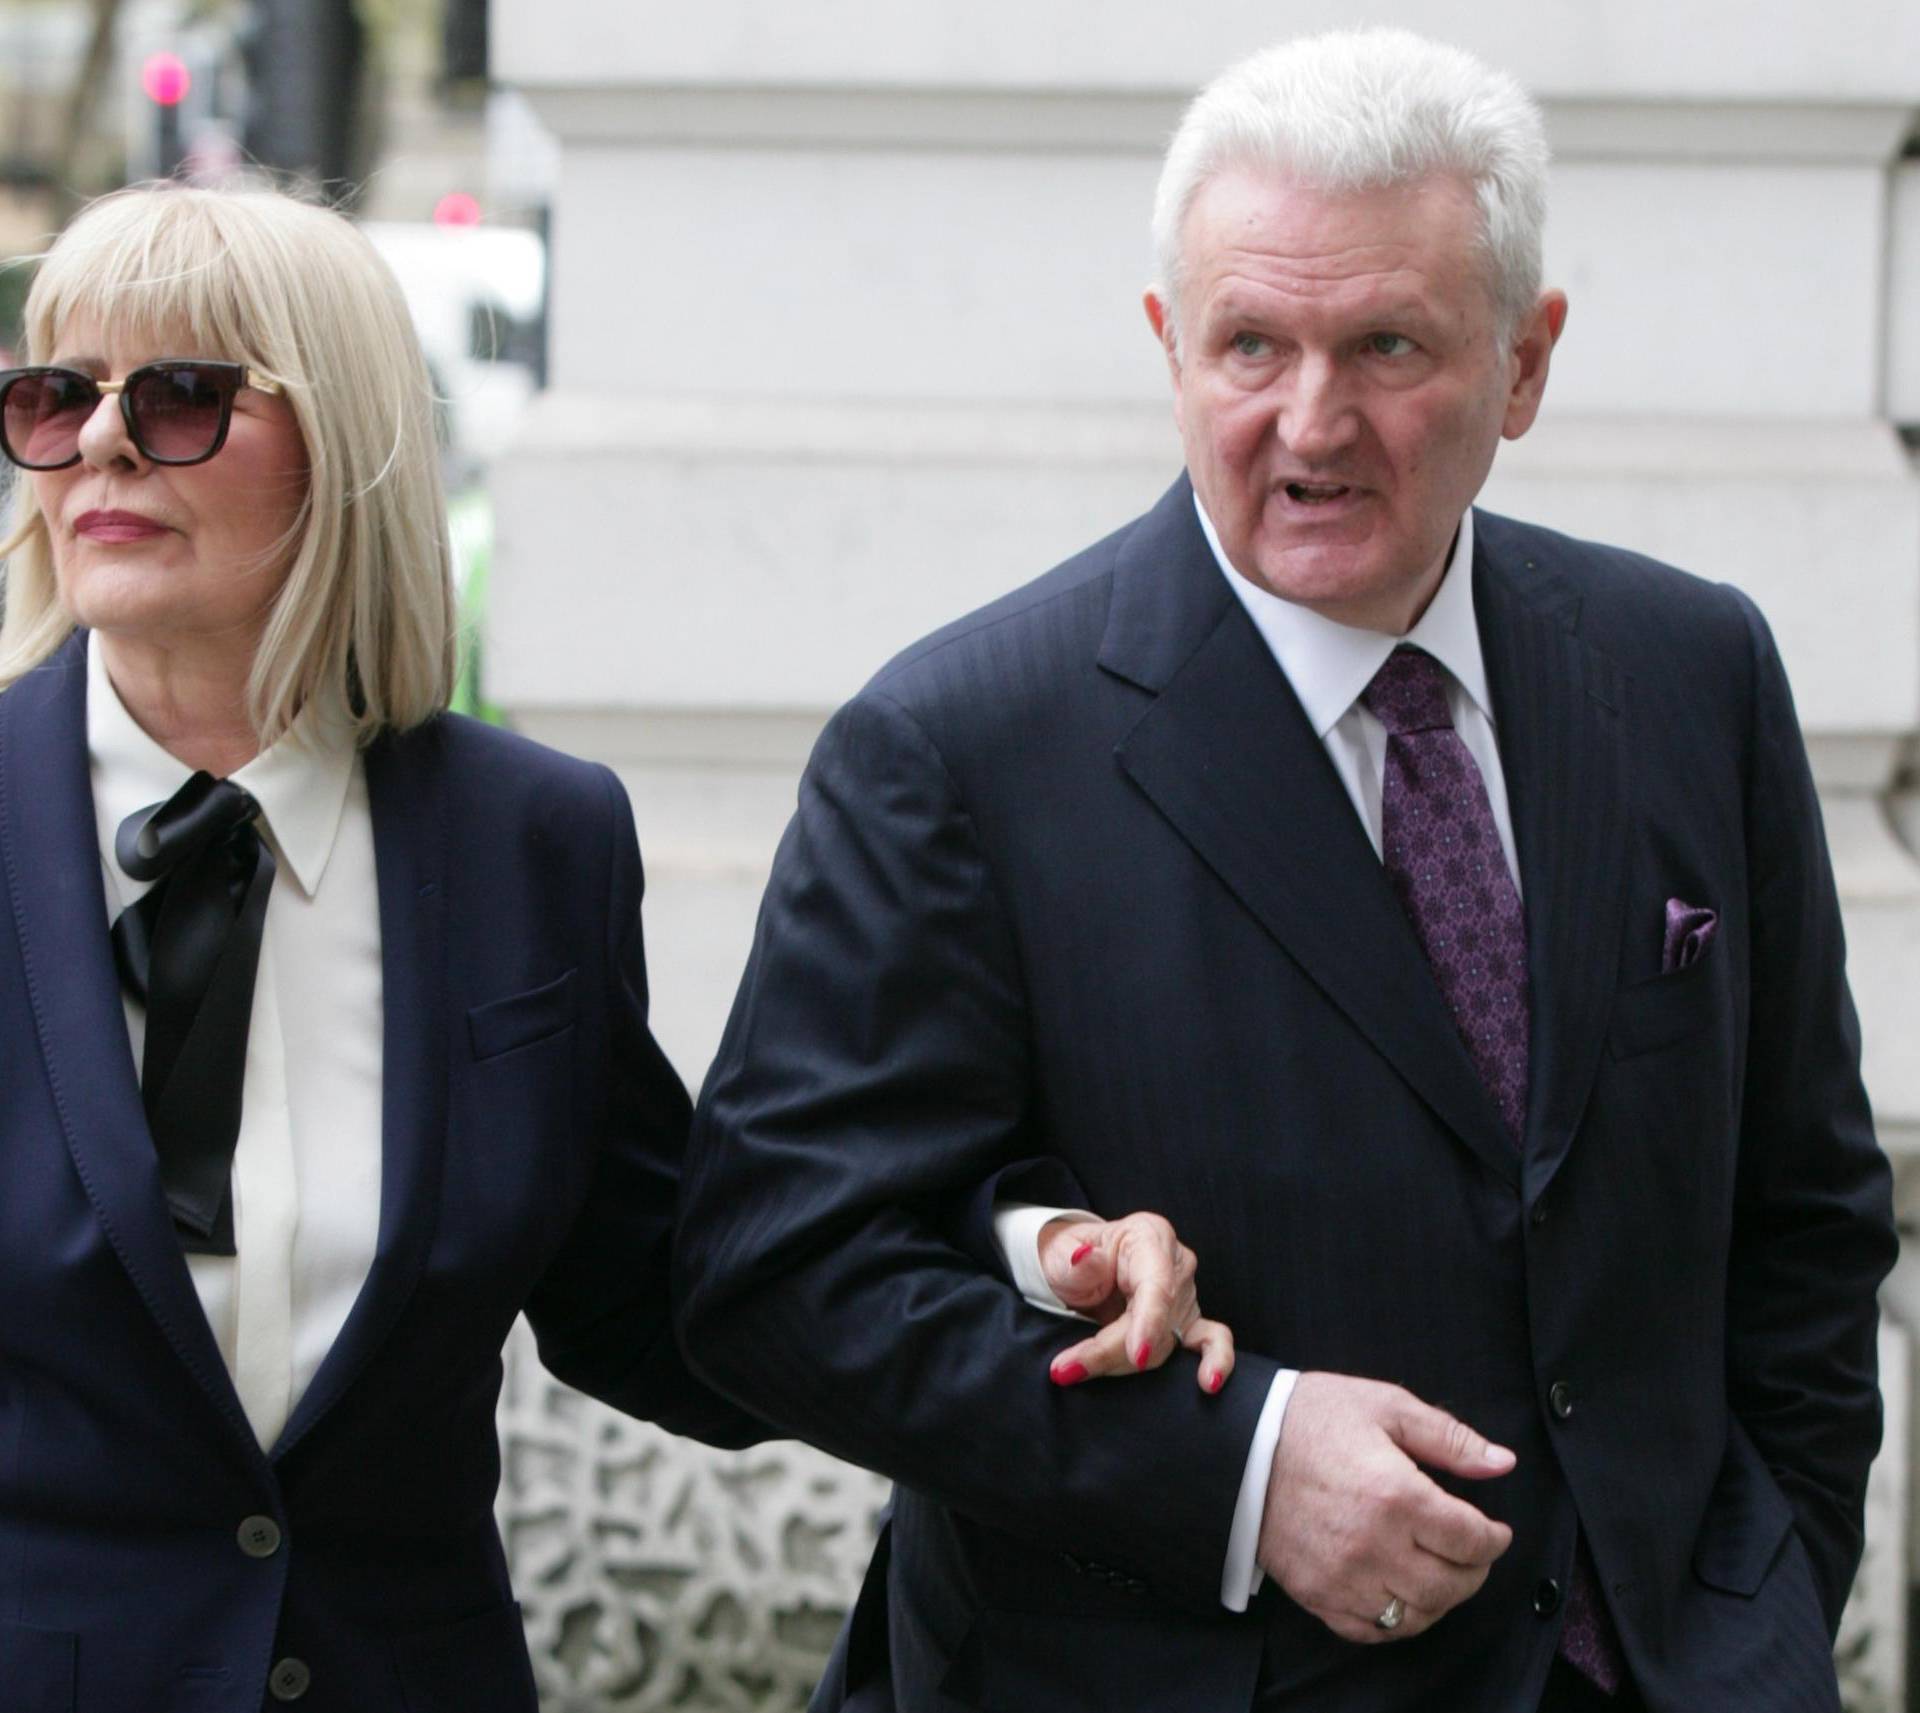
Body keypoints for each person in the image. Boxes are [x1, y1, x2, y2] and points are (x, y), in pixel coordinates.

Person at [674, 28, 1897, 1713]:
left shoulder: (1690, 670)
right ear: (1171, 345)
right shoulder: (956, 746)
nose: (1310, 422)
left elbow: (1808, 1218)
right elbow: (777, 1272)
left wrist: (1764, 1592)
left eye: (1388, 344)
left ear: (1525, 366)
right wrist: (1237, 1467)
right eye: (1252, 344)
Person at [0, 183, 1210, 1713]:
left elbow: (684, 1289)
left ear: (342, 446)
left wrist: (1031, 1252)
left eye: (177, 396)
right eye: (54, 396)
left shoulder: (528, 843)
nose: (98, 442)